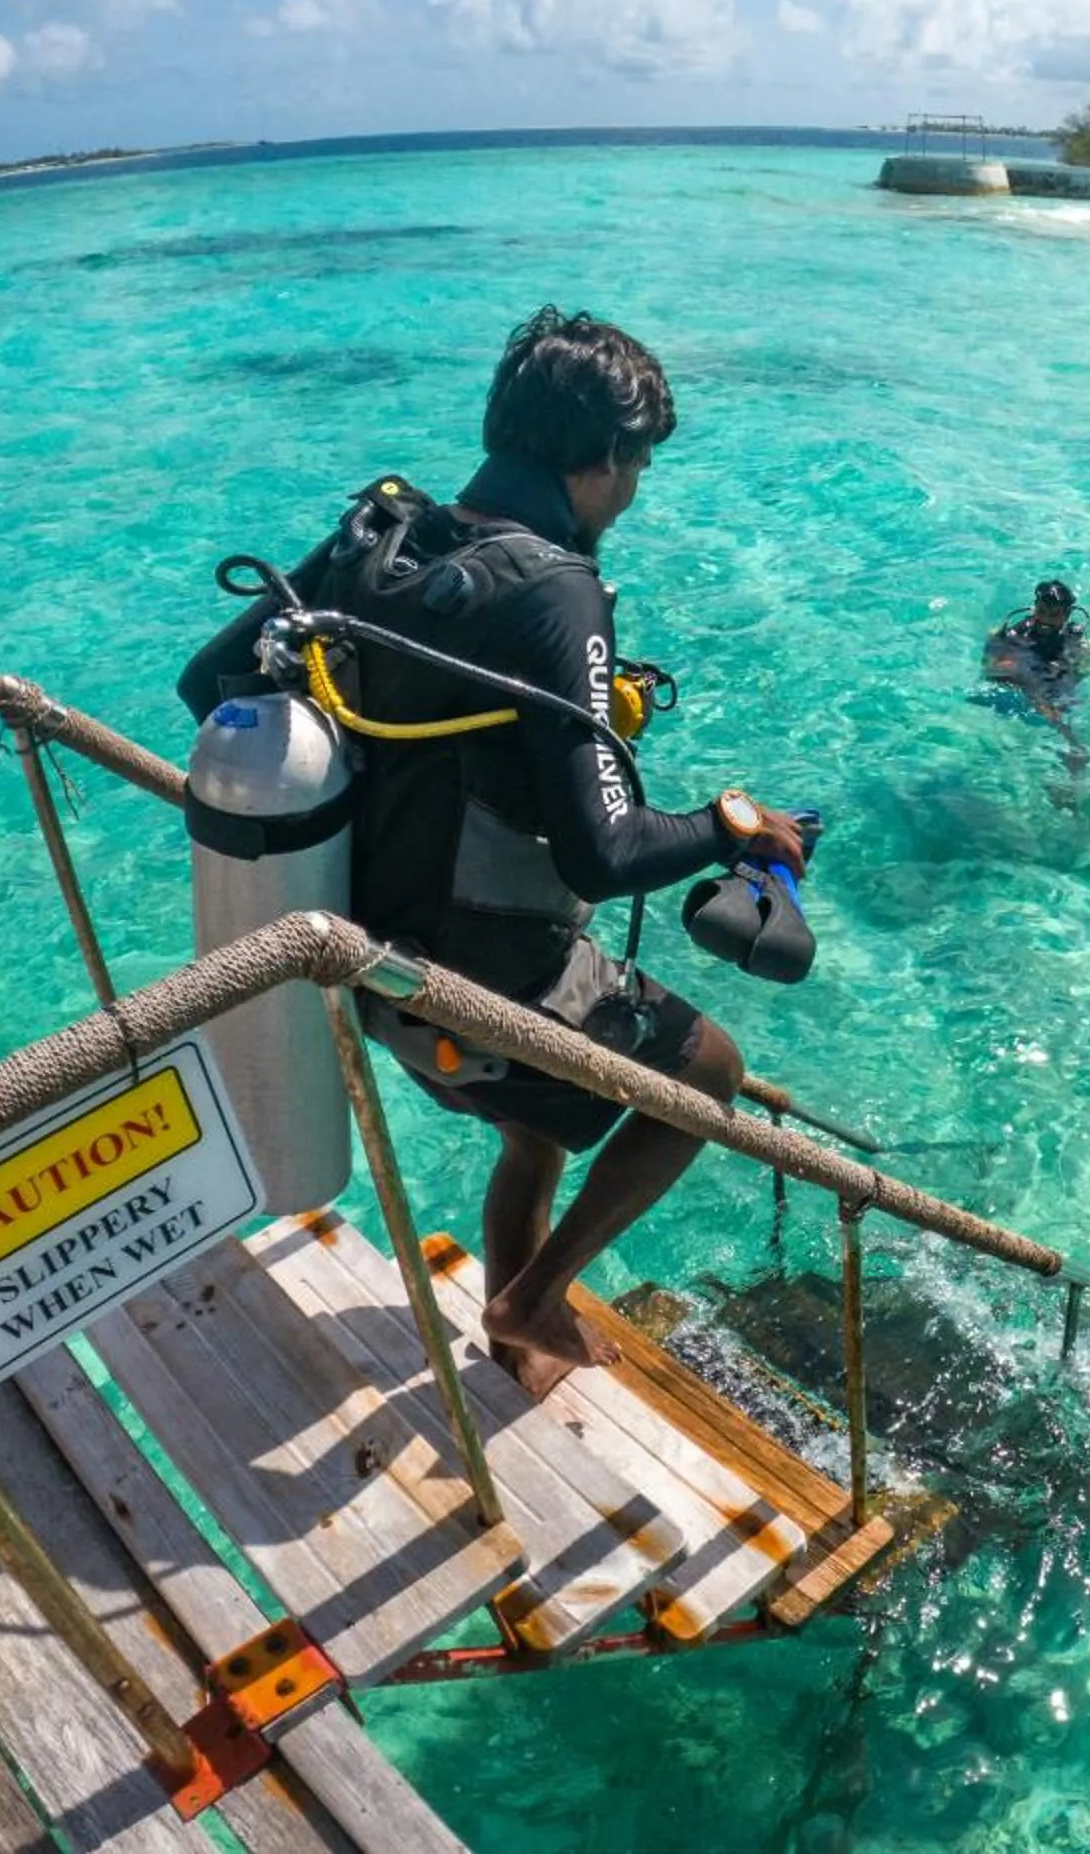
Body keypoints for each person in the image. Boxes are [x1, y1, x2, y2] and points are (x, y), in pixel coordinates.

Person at [178, 307, 808, 1388]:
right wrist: (732, 826)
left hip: (370, 964)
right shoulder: (557, 591)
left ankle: (520, 1348)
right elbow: (604, 855)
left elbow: (207, 686)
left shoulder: (380, 538)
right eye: (639, 464)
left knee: (539, 1136)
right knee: (710, 1076)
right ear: (604, 457)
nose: (636, 492)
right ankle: (530, 1296)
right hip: (489, 982)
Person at [982, 578, 1090, 764]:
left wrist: (1081, 661)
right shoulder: (1016, 633)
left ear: (1066, 615)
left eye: (1054, 614)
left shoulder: (1075, 634)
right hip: (1026, 670)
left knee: (1065, 699)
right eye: (1041, 611)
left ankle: (1071, 745)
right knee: (1032, 688)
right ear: (1034, 608)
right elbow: (991, 667)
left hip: (1054, 670)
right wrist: (995, 646)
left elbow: (1086, 668)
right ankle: (1074, 746)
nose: (1046, 619)